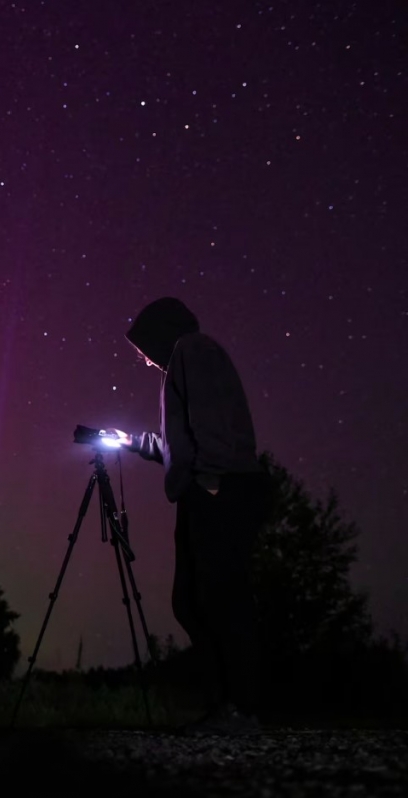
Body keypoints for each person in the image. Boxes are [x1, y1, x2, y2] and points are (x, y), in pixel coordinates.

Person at [107, 297, 273, 736]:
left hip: (219, 488)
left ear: (161, 333)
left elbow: (212, 420)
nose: (142, 360)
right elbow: (176, 446)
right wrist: (129, 441)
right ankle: (227, 706)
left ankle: (242, 708)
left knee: (221, 599)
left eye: (142, 349)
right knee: (193, 601)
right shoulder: (182, 361)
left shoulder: (192, 350)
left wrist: (211, 480)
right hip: (206, 486)